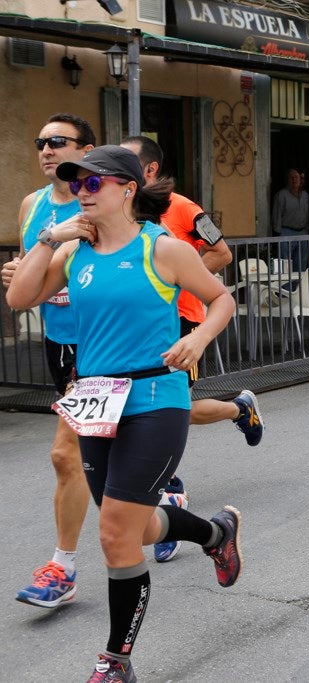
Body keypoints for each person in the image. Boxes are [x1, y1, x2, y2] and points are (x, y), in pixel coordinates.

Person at [6, 145, 243, 682]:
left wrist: (200, 338)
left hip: (156, 400)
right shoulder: (73, 253)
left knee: (114, 532)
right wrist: (50, 238)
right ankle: (215, 533)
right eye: (76, 184)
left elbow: (221, 299)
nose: (81, 193)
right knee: (130, 530)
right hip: (96, 401)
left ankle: (115, 660)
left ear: (128, 190)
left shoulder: (161, 249)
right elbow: (20, 298)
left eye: (93, 184)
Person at [120, 136, 264, 561]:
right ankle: (239, 409)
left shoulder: (184, 209)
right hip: (131, 328)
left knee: (169, 408)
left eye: (123, 161)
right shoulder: (111, 211)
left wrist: (178, 276)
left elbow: (221, 252)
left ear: (148, 171)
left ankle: (168, 494)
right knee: (154, 409)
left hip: (178, 322)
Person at [0, 113, 94, 610]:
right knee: (105, 457)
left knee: (65, 455)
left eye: (58, 142)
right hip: (60, 343)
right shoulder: (31, 205)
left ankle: (63, 566)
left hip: (103, 346)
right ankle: (176, 506)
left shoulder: (99, 202)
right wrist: (18, 269)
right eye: (40, 142)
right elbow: (26, 276)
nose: (46, 150)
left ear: (86, 149)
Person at [271, 168, 309, 271]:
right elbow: (276, 214)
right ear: (287, 180)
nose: (294, 180)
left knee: (301, 263)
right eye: (291, 177)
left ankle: (299, 286)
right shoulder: (281, 195)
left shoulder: (305, 195)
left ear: (300, 179)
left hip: (302, 232)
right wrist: (278, 233)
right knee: (285, 264)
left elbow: (307, 213)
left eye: (296, 177)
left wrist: (306, 229)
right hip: (286, 232)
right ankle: (286, 287)